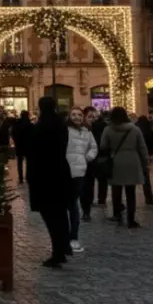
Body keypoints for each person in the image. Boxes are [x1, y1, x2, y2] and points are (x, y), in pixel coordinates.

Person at [28, 96, 73, 267]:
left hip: (44, 175)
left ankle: (58, 251)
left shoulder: (39, 127)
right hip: (60, 171)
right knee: (60, 213)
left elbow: (33, 153)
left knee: (50, 215)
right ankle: (63, 247)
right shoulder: (61, 125)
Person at [100, 107, 150, 228]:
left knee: (116, 190)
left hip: (116, 161)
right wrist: (145, 163)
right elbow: (142, 148)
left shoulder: (108, 129)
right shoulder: (135, 129)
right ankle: (131, 219)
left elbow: (103, 146)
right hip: (132, 161)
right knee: (131, 192)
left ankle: (117, 214)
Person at [65, 106, 98, 253]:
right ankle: (64, 236)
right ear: (69, 116)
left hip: (79, 172)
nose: (77, 117)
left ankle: (73, 237)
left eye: (79, 114)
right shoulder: (65, 130)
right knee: (65, 204)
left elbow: (94, 147)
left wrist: (87, 158)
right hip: (65, 171)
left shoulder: (87, 132)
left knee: (73, 204)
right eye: (73, 114)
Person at [82, 107, 108, 210]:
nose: (92, 119)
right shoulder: (82, 128)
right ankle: (90, 200)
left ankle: (101, 200)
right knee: (89, 181)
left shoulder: (102, 126)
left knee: (101, 180)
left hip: (100, 157)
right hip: (89, 158)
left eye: (94, 117)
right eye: (90, 117)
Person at [134, 114, 153, 206]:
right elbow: (152, 141)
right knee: (146, 178)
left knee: (131, 179)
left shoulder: (135, 128)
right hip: (145, 154)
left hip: (135, 155)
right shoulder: (148, 128)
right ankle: (149, 198)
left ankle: (131, 199)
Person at [11, 110, 32, 183]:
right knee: (28, 161)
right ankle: (28, 176)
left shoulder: (17, 124)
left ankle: (20, 178)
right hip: (28, 146)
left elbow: (13, 133)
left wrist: (16, 141)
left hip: (19, 145)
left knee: (19, 162)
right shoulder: (29, 124)